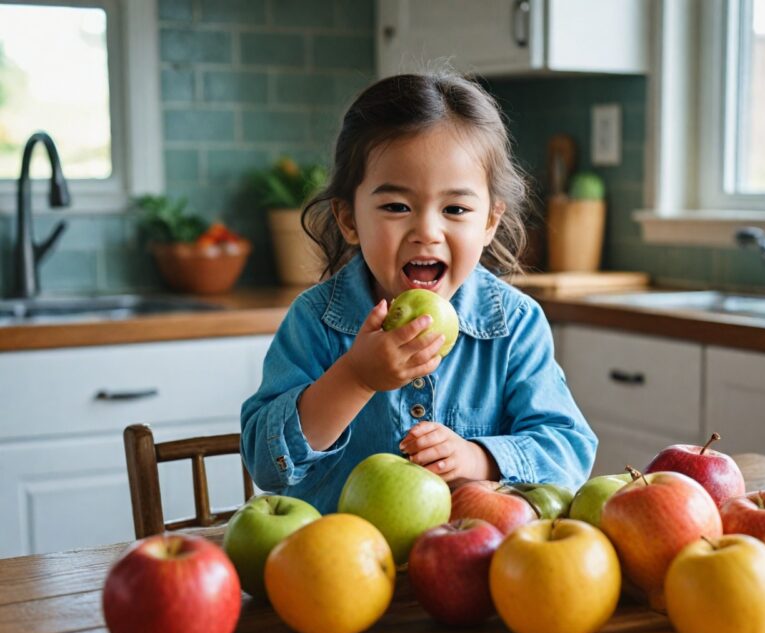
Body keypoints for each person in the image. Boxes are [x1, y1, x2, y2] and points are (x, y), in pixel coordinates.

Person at [241, 72, 597, 513]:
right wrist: (355, 378)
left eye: (455, 209)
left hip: (470, 563)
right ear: (349, 219)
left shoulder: (515, 324)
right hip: (335, 567)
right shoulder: (314, 321)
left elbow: (568, 449)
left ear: (489, 221)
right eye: (396, 207)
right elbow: (265, 463)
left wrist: (479, 458)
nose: (427, 232)